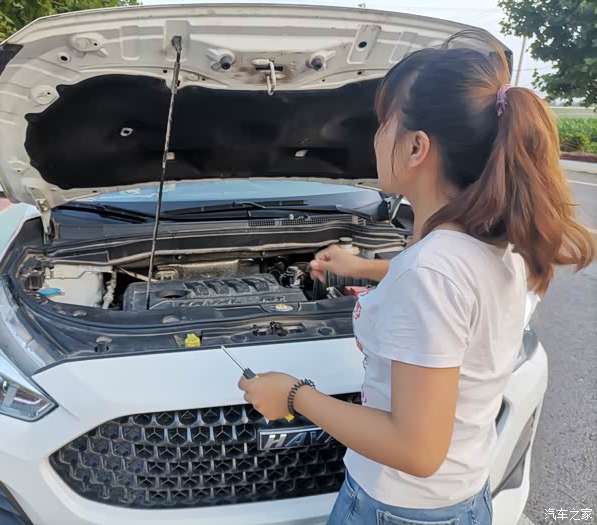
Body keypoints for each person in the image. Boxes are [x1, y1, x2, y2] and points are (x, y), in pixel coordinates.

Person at [238, 29, 594, 524]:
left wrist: (295, 395)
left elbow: (416, 450)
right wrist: (361, 267)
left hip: (397, 510)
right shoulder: (489, 247)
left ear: (416, 147)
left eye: (384, 123)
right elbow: (449, 292)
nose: (375, 137)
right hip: (461, 497)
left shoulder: (432, 271)